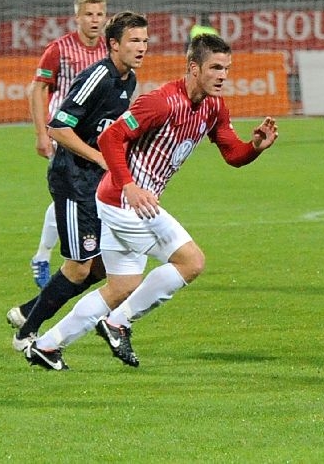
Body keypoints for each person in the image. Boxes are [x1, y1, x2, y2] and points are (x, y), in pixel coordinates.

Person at [24, 33, 279, 371]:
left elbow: (233, 153)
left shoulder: (214, 106)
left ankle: (47, 345)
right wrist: (128, 185)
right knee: (191, 262)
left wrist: (254, 148)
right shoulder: (160, 101)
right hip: (125, 202)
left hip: (129, 201)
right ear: (193, 67)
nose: (222, 75)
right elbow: (110, 136)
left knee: (121, 287)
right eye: (215, 67)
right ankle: (118, 324)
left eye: (227, 69)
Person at [9, 12, 149, 352]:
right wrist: (100, 157)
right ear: (114, 44)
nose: (142, 47)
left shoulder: (128, 80)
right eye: (134, 40)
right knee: (78, 266)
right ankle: (26, 332)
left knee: (100, 267)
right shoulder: (97, 76)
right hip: (72, 180)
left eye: (145, 41)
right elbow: (59, 126)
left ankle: (28, 310)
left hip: (97, 183)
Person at [23, 0, 109, 290]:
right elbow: (37, 90)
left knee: (82, 197)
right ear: (77, 17)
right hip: (65, 134)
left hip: (96, 138)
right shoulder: (58, 49)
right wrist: (41, 133)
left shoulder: (110, 50)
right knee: (72, 196)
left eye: (99, 14)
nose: (95, 20)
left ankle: (65, 254)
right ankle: (44, 256)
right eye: (89, 14)